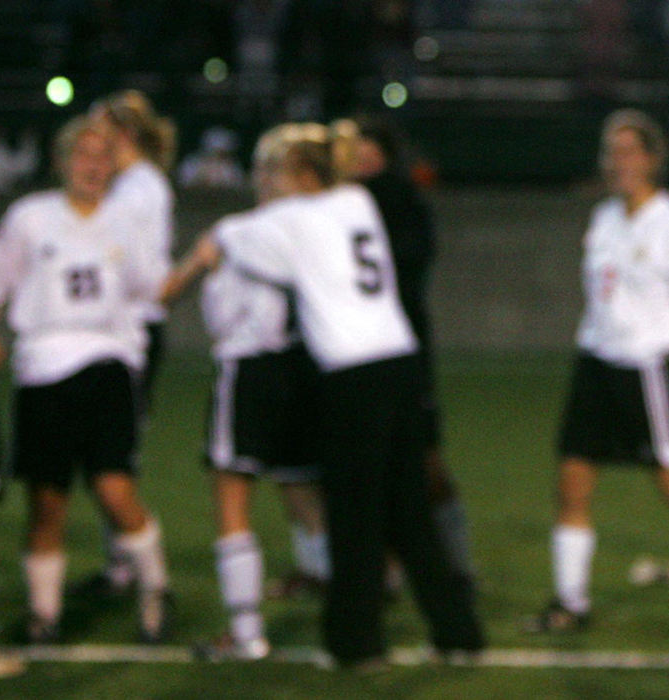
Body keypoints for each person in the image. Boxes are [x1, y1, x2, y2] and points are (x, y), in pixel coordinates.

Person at [194, 123, 484, 668]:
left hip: (353, 375)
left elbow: (228, 239)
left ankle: (355, 643)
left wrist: (205, 251)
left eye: (276, 171)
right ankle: (458, 633)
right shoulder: (355, 200)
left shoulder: (288, 219)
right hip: (399, 361)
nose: (268, 182)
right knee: (409, 509)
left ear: (302, 174)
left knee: (353, 514)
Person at [529, 109, 669, 632]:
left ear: (651, 159)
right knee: (571, 482)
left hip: (645, 371)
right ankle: (570, 604)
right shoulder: (603, 218)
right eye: (610, 152)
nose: (617, 162)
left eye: (627, 151)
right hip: (595, 363)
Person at [0, 117, 171, 644]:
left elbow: (148, 291)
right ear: (62, 160)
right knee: (47, 502)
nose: (93, 166)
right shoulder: (30, 216)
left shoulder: (127, 221)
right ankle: (44, 613)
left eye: (103, 157)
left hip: (106, 366)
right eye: (83, 155)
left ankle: (154, 590)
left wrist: (130, 348)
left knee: (115, 489)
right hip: (43, 368)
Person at [161, 125, 326, 661]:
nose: (263, 179)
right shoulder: (322, 230)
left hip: (249, 369)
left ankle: (245, 631)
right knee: (302, 489)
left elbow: (171, 288)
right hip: (304, 370)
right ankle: (342, 597)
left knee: (232, 495)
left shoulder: (236, 230)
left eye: (270, 169)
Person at [332, 115, 476, 591]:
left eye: (369, 151)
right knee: (364, 463)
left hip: (401, 349)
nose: (361, 159)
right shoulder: (331, 205)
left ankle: (454, 562)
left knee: (424, 459)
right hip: (353, 351)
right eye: (354, 150)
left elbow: (412, 265)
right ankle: (384, 570)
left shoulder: (400, 201)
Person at [76, 90, 177, 599]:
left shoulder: (137, 188)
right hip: (118, 329)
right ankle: (121, 564)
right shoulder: (136, 184)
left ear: (125, 135)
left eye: (101, 133)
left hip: (130, 331)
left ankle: (137, 570)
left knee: (113, 457)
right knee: (105, 454)